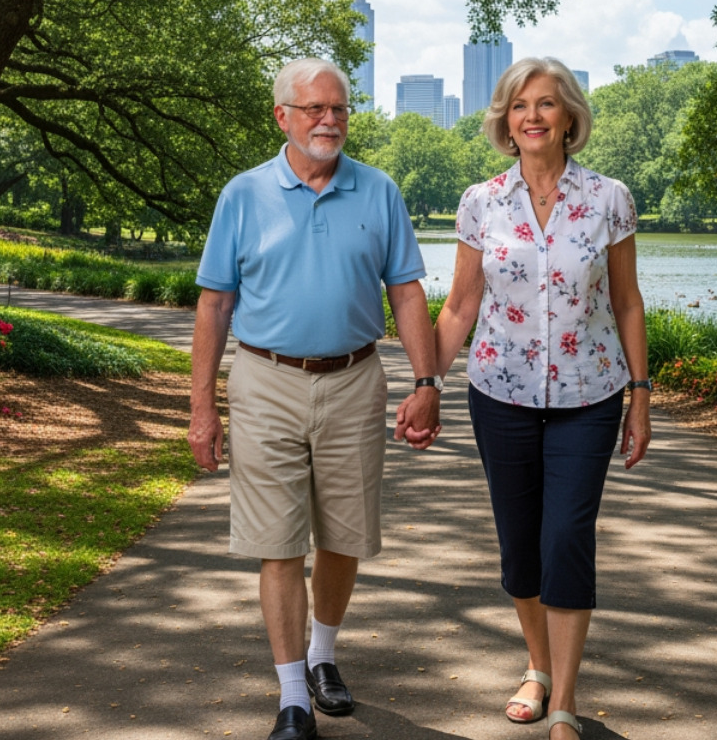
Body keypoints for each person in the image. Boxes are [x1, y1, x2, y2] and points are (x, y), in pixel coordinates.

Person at [189, 58, 442, 740]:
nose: (330, 120)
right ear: (283, 117)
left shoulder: (379, 190)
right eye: (315, 110)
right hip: (265, 380)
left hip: (355, 379)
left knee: (343, 535)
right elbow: (214, 304)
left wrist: (427, 383)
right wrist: (203, 407)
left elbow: (407, 292)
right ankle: (293, 697)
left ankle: (323, 655)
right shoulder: (242, 195)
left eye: (339, 109)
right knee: (278, 544)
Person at [434, 57, 651, 739]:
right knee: (519, 546)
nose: (532, 115)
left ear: (569, 119)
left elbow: (626, 301)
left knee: (566, 538)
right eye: (520, 105)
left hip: (590, 395)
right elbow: (461, 304)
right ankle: (537, 665)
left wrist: (641, 397)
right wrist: (423, 384)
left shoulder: (610, 198)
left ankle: (566, 701)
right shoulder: (481, 202)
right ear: (505, 120)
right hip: (500, 394)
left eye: (547, 104)